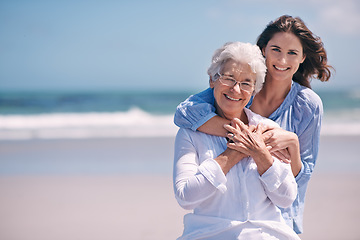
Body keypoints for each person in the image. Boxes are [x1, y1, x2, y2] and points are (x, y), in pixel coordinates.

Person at [174, 15, 333, 234]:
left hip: (279, 217)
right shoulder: (238, 85)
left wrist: (292, 143)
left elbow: (300, 179)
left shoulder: (307, 105)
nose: (282, 60)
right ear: (263, 50)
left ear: (303, 57)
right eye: (276, 49)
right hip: (225, 220)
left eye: (292, 53)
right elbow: (185, 113)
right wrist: (243, 137)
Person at [173, 41, 300, 239]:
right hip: (210, 234)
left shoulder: (267, 129)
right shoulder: (190, 133)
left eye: (246, 83)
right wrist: (233, 153)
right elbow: (186, 197)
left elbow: (286, 198)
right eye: (229, 78)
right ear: (212, 80)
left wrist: (260, 154)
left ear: (253, 91)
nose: (236, 89)